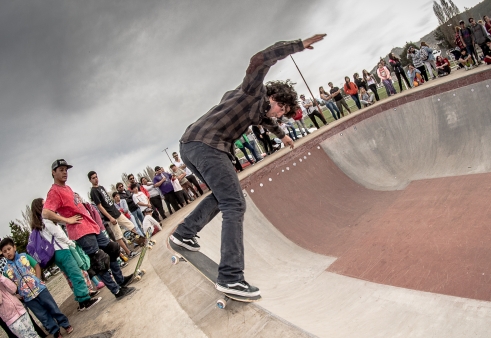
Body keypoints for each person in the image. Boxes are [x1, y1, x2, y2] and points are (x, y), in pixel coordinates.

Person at [170, 34, 326, 298]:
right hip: (208, 146)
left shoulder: (256, 109)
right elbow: (260, 59)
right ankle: (231, 277)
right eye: (281, 108)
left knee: (223, 197)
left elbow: (266, 121)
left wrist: (283, 135)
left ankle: (184, 233)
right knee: (235, 203)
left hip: (190, 146)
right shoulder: (255, 91)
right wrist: (298, 46)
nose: (279, 114)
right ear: (274, 96)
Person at [42, 159, 136, 300]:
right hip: (81, 231)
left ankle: (121, 280)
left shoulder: (66, 188)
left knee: (111, 249)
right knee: (100, 261)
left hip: (91, 226)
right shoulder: (54, 191)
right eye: (61, 170)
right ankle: (117, 291)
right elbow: (46, 213)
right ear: (53, 173)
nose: (64, 172)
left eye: (66, 170)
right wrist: (68, 220)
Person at [29, 199, 101, 312]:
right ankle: (86, 300)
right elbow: (58, 234)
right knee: (76, 274)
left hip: (55, 254)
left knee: (71, 276)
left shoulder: (39, 225)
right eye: (44, 204)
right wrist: (70, 242)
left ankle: (81, 301)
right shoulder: (47, 220)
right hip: (62, 250)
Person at [0, 238, 72, 338]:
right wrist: (17, 294)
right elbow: (9, 285)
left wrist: (38, 279)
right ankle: (55, 331)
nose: (8, 253)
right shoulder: (6, 269)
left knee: (52, 307)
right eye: (5, 251)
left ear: (14, 247)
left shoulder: (24, 256)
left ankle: (65, 324)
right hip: (27, 298)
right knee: (42, 315)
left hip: (40, 289)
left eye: (9, 249)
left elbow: (36, 266)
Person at [0, 254, 61, 338]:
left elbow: (12, 289)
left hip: (19, 309)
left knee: (33, 333)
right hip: (10, 317)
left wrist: (2, 278)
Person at [88, 171, 142, 256]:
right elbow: (100, 206)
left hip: (116, 212)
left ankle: (140, 241)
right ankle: (129, 252)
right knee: (118, 236)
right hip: (110, 216)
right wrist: (110, 217)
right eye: (93, 178)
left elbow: (108, 201)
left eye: (96, 177)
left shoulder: (101, 187)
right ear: (90, 180)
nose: (96, 179)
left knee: (131, 225)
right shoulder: (93, 191)